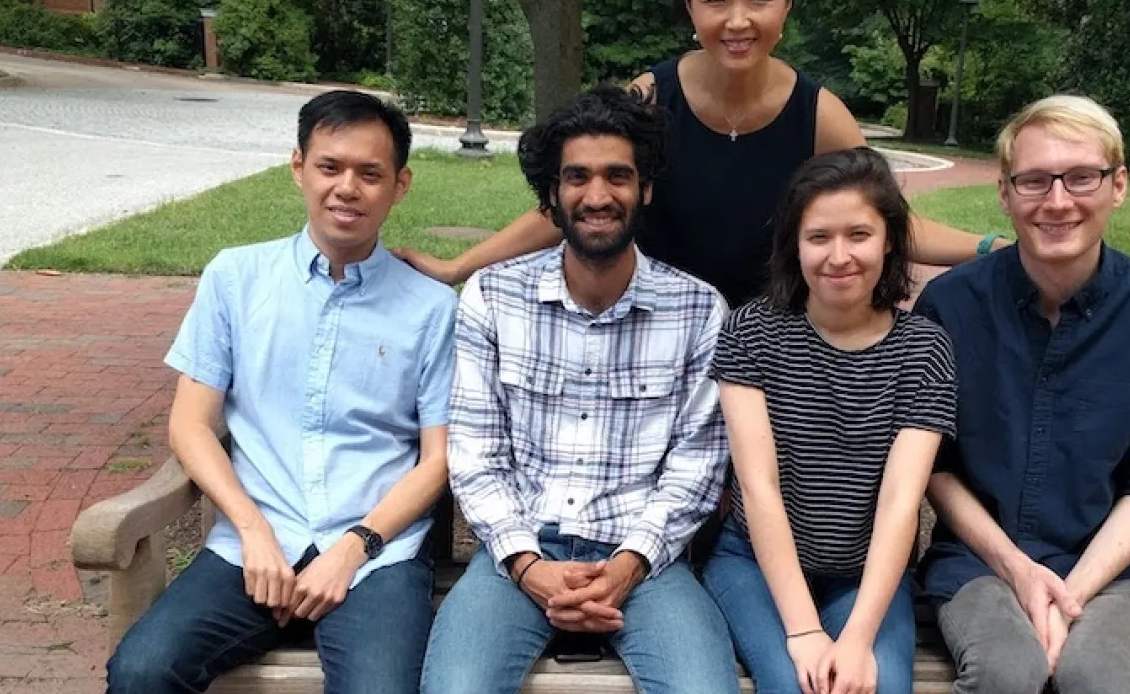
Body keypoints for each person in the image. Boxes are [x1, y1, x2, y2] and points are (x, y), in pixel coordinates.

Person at [394, 0, 1005, 307]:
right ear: (690, 5)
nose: (737, 20)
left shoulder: (819, 115)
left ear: (787, 3)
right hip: (657, 330)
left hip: (771, 338)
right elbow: (581, 199)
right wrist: (459, 266)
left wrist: (992, 247)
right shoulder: (650, 98)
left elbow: (884, 221)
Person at [105, 91, 456, 693]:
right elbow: (190, 424)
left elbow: (439, 458)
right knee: (143, 671)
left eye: (370, 174)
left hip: (376, 554)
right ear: (298, 167)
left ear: (400, 185)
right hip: (254, 541)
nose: (347, 188)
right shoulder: (236, 278)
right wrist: (251, 529)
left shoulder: (431, 307)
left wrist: (354, 547)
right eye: (329, 167)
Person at [420, 86, 740, 694]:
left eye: (618, 175)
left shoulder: (698, 310)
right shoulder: (493, 296)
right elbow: (477, 455)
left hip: (646, 561)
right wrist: (528, 566)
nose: (598, 196)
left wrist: (627, 566)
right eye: (577, 177)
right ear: (552, 194)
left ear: (645, 189)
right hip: (518, 553)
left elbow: (696, 467)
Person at [913, 95, 1130, 693]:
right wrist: (1020, 572)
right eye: (1034, 180)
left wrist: (1070, 595)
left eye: (1081, 177)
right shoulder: (950, 305)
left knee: (1095, 679)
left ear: (1118, 185)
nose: (1057, 201)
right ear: (1005, 193)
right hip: (977, 562)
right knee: (1005, 671)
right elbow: (934, 464)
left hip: (1105, 567)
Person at [702, 147, 956, 694]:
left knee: (877, 684)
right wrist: (803, 631)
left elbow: (901, 502)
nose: (839, 256)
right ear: (794, 244)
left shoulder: (923, 349)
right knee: (794, 683)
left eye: (859, 235)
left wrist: (858, 638)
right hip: (753, 564)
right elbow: (759, 487)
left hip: (865, 576)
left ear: (889, 240)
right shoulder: (752, 333)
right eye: (818, 237)